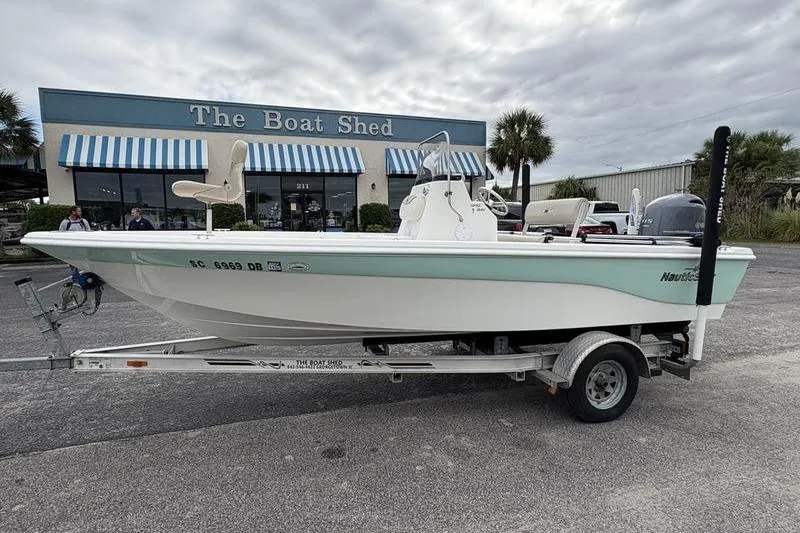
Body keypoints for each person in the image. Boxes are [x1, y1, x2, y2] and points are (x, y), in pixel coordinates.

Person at [58, 206, 91, 281]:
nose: (80, 213)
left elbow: (89, 233)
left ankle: (89, 279)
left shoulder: (83, 222)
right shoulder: (65, 223)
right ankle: (76, 280)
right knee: (73, 265)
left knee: (86, 264)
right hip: (71, 249)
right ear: (73, 212)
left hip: (83, 248)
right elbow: (61, 236)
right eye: (79, 211)